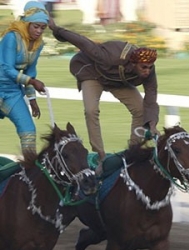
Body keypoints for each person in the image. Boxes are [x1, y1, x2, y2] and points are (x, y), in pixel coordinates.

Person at [48, 18, 160, 162]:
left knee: (141, 110)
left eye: (150, 67)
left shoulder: (149, 71)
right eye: (143, 67)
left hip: (118, 81)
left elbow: (151, 98)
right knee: (91, 110)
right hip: (93, 74)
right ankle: (99, 155)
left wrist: (152, 125)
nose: (147, 71)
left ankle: (134, 152)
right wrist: (57, 29)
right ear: (133, 63)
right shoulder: (109, 56)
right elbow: (83, 42)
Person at [0, 1, 49, 158]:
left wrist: (32, 99)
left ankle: (29, 174)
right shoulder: (11, 37)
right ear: (27, 23)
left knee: (29, 131)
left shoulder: (38, 44)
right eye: (36, 26)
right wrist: (32, 82)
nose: (39, 31)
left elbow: (31, 70)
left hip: (12, 92)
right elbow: (7, 69)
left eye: (43, 28)